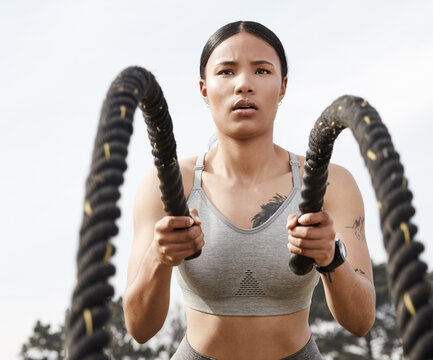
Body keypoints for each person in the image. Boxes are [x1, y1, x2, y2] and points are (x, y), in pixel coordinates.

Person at [123, 21, 376, 359]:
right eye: (226, 72)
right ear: (204, 89)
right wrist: (160, 255)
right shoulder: (168, 183)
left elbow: (361, 322)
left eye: (261, 70)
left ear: (282, 86)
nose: (243, 84)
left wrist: (331, 257)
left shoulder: (333, 182)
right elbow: (139, 329)